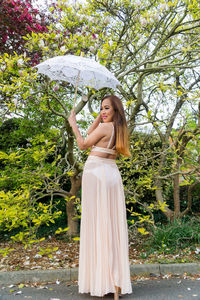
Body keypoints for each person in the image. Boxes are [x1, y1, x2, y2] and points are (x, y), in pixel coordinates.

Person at [68, 95, 132, 299]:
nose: (103, 112)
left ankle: (104, 279)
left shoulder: (106, 128)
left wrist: (73, 124)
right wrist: (100, 115)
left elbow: (83, 143)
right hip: (111, 173)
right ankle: (114, 281)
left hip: (96, 174)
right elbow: (91, 132)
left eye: (107, 109)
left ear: (115, 111)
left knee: (98, 225)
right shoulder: (118, 129)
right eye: (101, 108)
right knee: (110, 225)